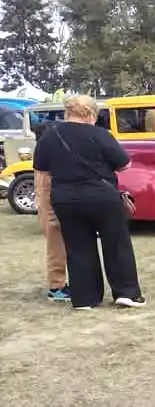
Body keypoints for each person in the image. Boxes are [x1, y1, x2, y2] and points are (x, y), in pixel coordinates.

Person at [32, 95, 146, 311]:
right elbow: (124, 165)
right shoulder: (100, 134)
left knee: (78, 247)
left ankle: (85, 298)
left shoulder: (50, 136)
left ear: (68, 113)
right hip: (101, 196)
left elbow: (42, 169)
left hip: (66, 199)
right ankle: (126, 293)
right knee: (116, 243)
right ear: (91, 114)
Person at [32, 122, 69, 301]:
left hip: (48, 193)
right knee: (55, 240)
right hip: (48, 195)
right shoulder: (45, 152)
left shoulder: (42, 150)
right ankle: (56, 287)